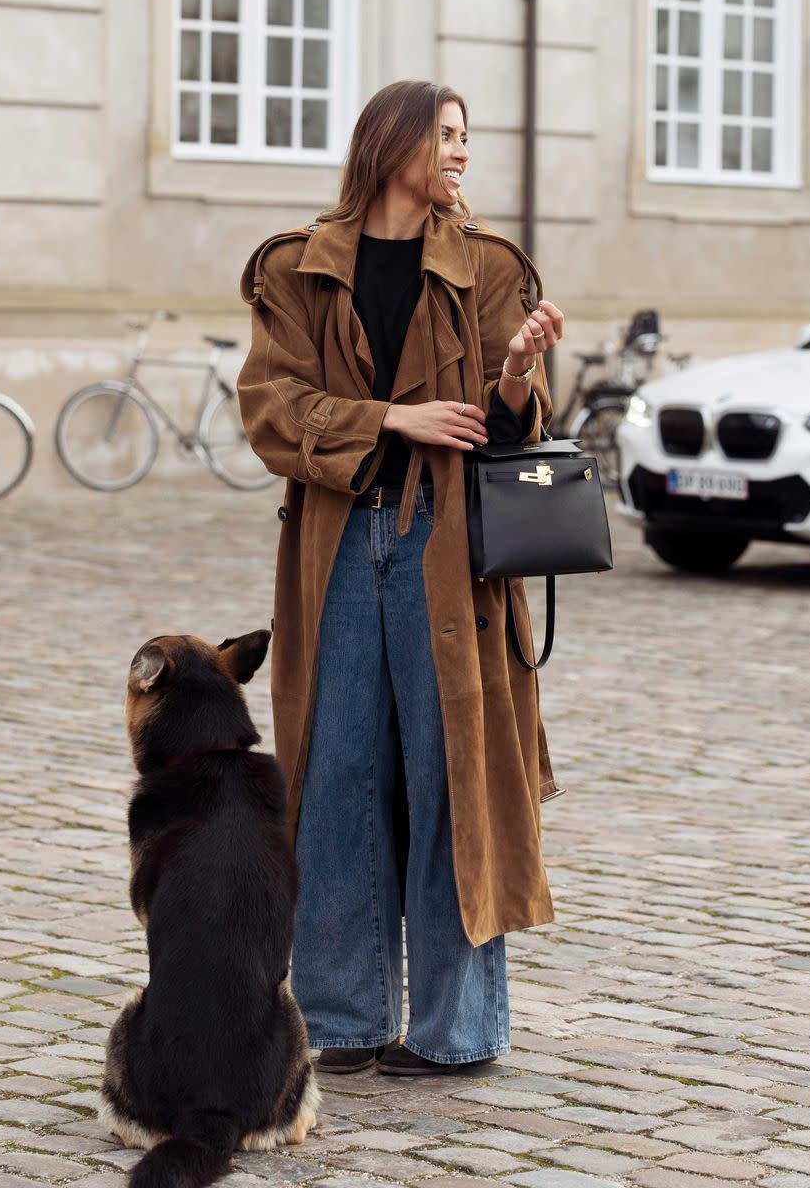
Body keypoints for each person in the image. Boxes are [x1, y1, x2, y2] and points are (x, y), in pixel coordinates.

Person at [237, 80, 565, 1077]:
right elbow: (269, 407)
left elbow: (509, 429)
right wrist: (389, 418)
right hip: (336, 550)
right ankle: (340, 1017)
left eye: (468, 136)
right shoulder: (297, 269)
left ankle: (456, 1032)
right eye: (446, 136)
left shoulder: (492, 268)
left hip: (447, 556)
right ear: (391, 144)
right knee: (335, 780)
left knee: (451, 779)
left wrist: (512, 377)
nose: (461, 153)